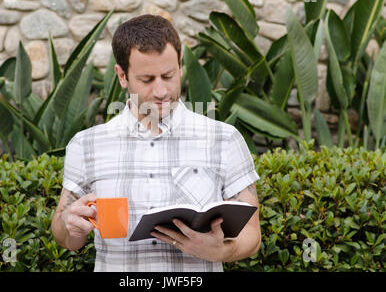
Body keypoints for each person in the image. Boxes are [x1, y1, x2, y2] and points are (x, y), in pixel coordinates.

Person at [51, 14, 261, 272]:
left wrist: (222, 250)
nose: (161, 91)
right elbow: (66, 238)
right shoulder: (86, 145)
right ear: (122, 76)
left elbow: (252, 234)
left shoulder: (224, 139)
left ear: (181, 67)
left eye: (168, 75)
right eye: (147, 80)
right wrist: (70, 226)